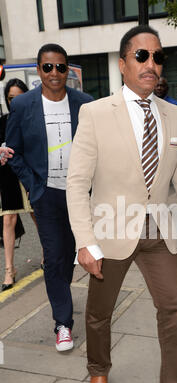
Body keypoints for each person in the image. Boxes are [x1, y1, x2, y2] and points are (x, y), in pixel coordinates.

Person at [66, 25, 177, 383]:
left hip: (159, 231)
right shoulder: (95, 113)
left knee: (174, 307)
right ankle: (98, 369)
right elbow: (77, 183)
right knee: (100, 311)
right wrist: (86, 241)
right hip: (111, 229)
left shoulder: (173, 115)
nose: (152, 64)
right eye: (142, 56)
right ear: (122, 64)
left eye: (158, 57)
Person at [6, 43, 93, 351]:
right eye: (47, 67)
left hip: (81, 195)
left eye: (60, 67)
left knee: (70, 255)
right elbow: (13, 151)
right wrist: (33, 186)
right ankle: (62, 323)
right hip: (47, 195)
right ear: (39, 71)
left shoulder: (85, 104)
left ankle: (61, 292)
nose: (54, 73)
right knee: (55, 256)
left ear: (66, 70)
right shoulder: (23, 106)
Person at [0, 78, 41, 291]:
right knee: (8, 219)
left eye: (19, 97)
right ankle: (9, 269)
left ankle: (47, 254)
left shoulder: (35, 119)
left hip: (29, 175)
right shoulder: (3, 121)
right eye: (10, 98)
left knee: (37, 215)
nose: (14, 102)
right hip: (8, 177)